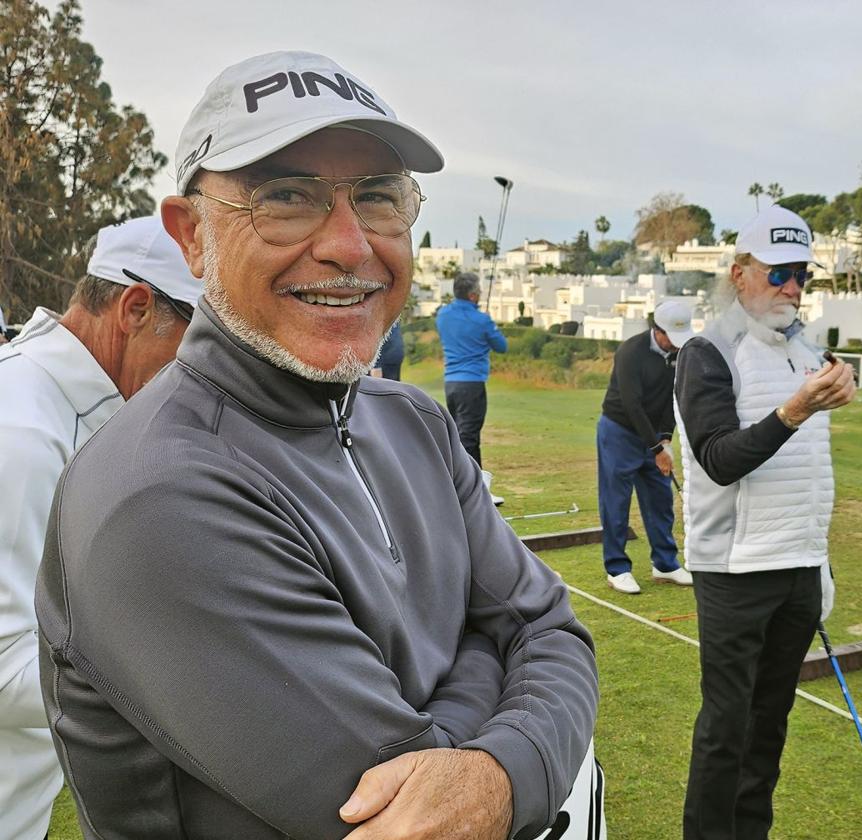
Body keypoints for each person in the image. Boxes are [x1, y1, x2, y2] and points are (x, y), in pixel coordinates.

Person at [36, 51, 597, 840]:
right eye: (286, 198)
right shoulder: (160, 495)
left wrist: (495, 771)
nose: (348, 244)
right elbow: (397, 808)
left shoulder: (413, 422)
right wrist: (494, 669)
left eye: (377, 197)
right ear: (191, 237)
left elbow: (551, 629)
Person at [1, 216, 199, 840]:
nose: (197, 380)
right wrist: (185, 685)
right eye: (194, 351)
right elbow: (5, 664)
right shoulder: (25, 431)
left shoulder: (63, 403)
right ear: (135, 308)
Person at [673, 204, 857, 840]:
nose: (792, 287)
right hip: (735, 570)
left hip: (797, 567)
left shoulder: (805, 348)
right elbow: (720, 460)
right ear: (741, 273)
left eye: (802, 274)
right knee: (727, 729)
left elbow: (812, 472)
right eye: (779, 272)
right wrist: (796, 409)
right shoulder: (707, 352)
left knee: (770, 725)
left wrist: (818, 559)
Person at [597, 299, 695, 594]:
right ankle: (617, 568)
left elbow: (674, 398)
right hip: (619, 431)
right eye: (671, 339)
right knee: (616, 501)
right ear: (658, 330)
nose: (676, 345)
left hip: (653, 435)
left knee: (660, 500)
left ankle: (665, 564)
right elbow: (632, 405)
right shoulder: (631, 351)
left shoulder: (678, 353)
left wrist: (665, 438)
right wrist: (656, 449)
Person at [435, 271, 507, 468]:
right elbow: (502, 346)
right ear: (473, 295)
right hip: (472, 384)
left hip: (451, 384)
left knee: (460, 434)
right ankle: (472, 490)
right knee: (469, 438)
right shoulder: (481, 320)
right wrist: (489, 324)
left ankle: (469, 486)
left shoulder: (443, 315)